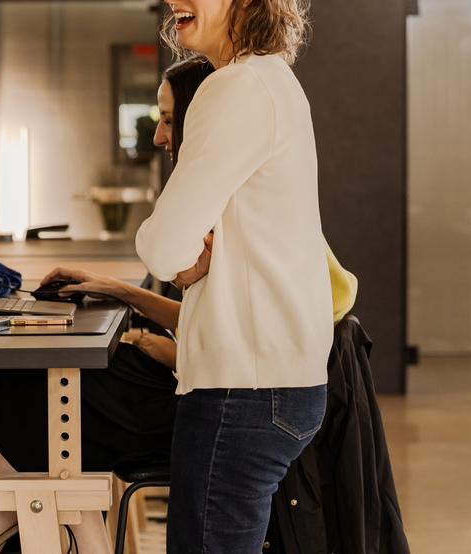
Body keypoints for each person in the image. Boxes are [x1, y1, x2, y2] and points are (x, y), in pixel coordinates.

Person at [0, 56, 354, 552]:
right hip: (251, 392)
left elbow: (165, 253)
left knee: (33, 398)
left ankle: (15, 535)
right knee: (34, 401)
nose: (158, 136)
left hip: (235, 395)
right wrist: (121, 291)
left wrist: (149, 339)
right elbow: (209, 312)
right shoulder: (246, 197)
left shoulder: (232, 155)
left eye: (169, 119)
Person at [134, 0, 330, 551]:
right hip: (277, 381)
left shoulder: (236, 87)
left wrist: (177, 261)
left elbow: (164, 244)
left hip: (243, 388)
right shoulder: (274, 82)